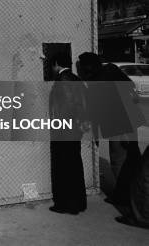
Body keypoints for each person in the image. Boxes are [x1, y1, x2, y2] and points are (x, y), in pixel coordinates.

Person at [76, 52, 145, 208]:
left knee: (118, 160)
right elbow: (130, 85)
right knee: (133, 157)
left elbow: (94, 112)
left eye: (81, 66)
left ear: (88, 67)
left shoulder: (93, 82)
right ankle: (139, 193)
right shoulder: (112, 69)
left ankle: (124, 197)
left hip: (117, 125)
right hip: (130, 120)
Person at [48, 51, 87, 215]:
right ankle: (78, 203)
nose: (51, 69)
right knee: (75, 165)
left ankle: (65, 204)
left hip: (64, 131)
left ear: (56, 64)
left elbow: (65, 108)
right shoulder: (75, 78)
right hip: (75, 130)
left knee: (63, 167)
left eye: (52, 65)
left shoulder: (62, 81)